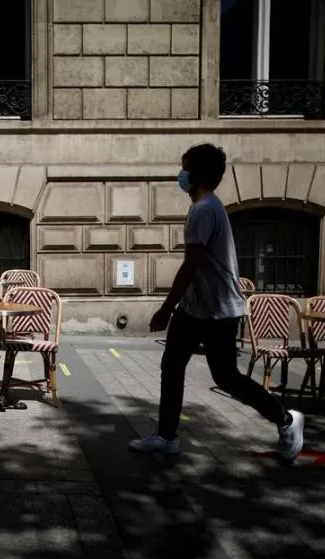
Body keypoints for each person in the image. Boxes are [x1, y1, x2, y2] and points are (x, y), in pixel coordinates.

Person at [128, 143, 305, 464]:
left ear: (201, 174)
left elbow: (192, 263)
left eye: (185, 168)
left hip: (219, 310)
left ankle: (286, 419)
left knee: (226, 378)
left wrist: (166, 307)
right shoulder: (205, 207)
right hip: (196, 308)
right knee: (172, 366)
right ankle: (166, 437)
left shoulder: (204, 209)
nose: (180, 174)